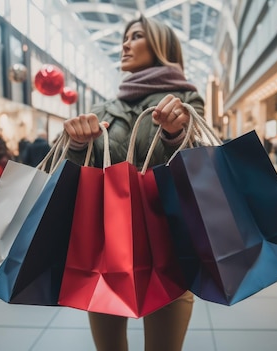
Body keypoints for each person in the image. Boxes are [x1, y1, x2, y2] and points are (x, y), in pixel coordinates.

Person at [61, 15, 203, 351]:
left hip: (168, 242)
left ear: (160, 46)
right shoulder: (102, 108)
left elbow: (200, 166)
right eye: (124, 37)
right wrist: (78, 144)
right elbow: (75, 177)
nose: (125, 44)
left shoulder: (185, 101)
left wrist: (175, 134)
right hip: (108, 243)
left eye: (135, 36)